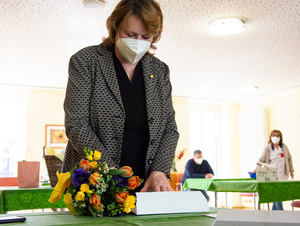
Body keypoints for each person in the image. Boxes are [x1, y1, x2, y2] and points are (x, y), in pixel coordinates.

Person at [62, 0, 179, 192]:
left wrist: (159, 171)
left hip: (146, 185)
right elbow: (77, 125)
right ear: (115, 27)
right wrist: (113, 173)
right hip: (95, 184)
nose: (137, 43)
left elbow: (169, 128)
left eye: (145, 36)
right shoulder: (85, 61)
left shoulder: (159, 71)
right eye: (130, 34)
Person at [257, 129, 294, 210]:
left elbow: (289, 159)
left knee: (278, 193)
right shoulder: (267, 148)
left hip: (283, 174)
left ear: (280, 137)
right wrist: (256, 169)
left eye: (277, 136)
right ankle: (281, 211)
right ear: (270, 137)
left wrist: (291, 170)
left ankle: (274, 212)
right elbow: (261, 160)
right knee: (277, 193)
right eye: (273, 136)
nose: (275, 137)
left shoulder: (284, 147)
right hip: (272, 175)